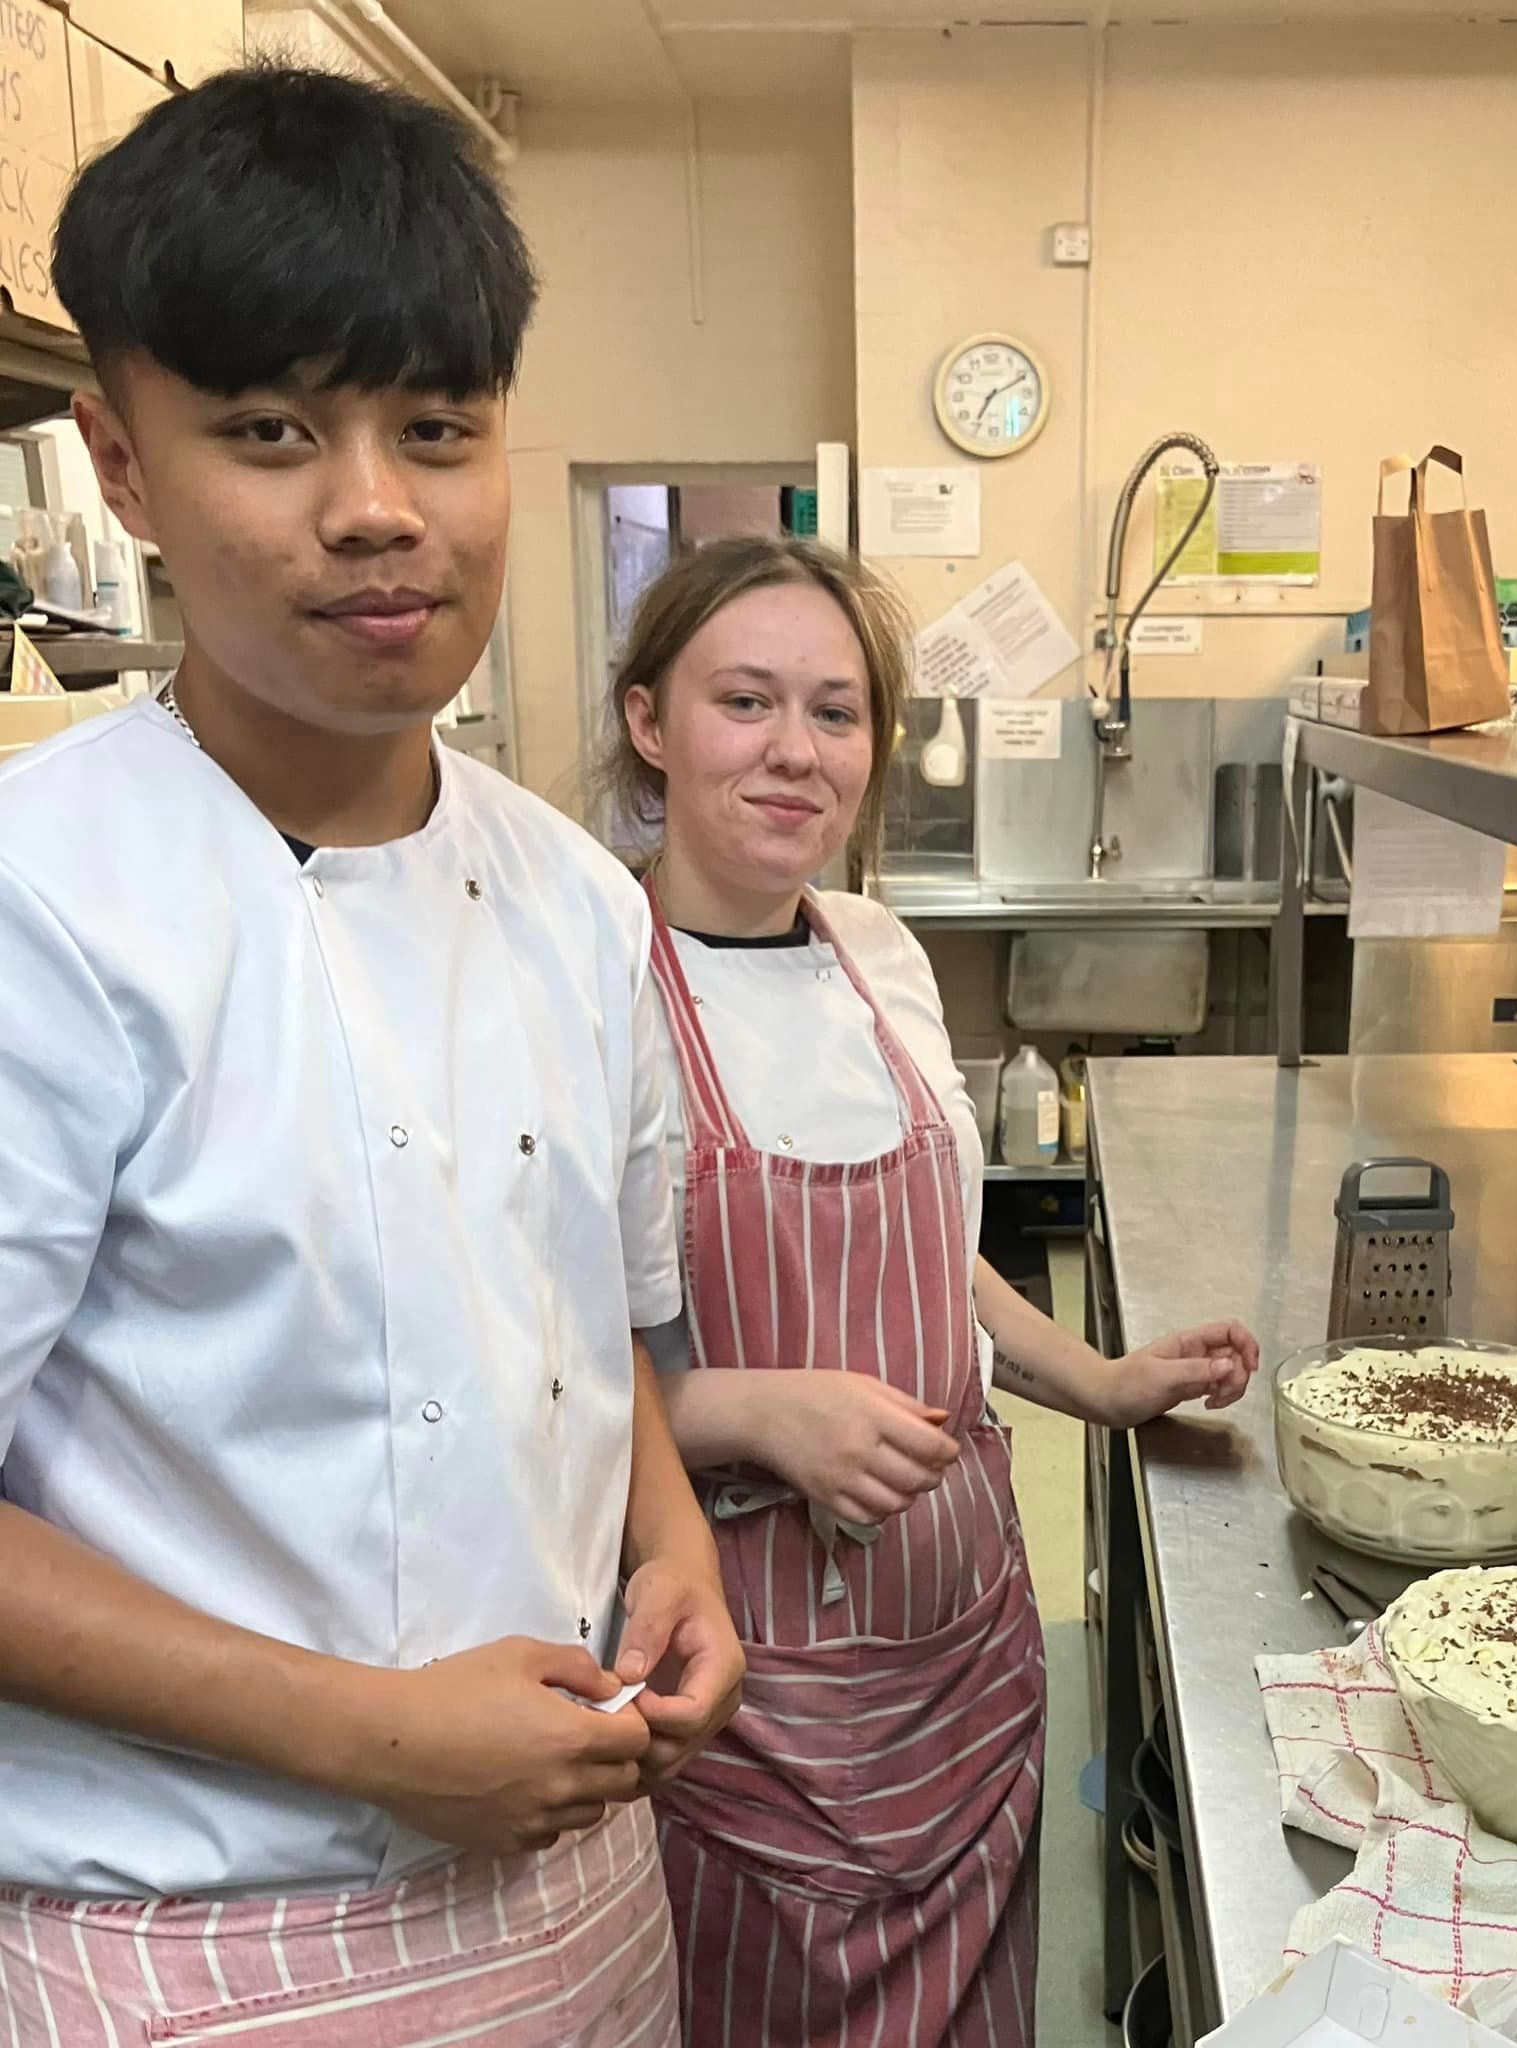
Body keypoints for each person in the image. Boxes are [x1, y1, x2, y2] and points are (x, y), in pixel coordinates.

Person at [0, 65, 743, 2046]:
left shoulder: (581, 900)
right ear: (125, 467)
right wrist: (381, 1734)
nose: (376, 508)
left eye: (437, 426)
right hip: (201, 1945)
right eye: (268, 431)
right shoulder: (42, 905)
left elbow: (580, 1329)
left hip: (584, 1888)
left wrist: (667, 1545)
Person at [603, 535, 1262, 2046]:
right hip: (743, 1682)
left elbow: (923, 1247)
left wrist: (1093, 1382)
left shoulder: (877, 957)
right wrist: (751, 1411)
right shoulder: (594, 990)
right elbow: (538, 1361)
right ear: (651, 723)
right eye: (745, 702)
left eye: (835, 713)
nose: (795, 752)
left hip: (965, 1643)